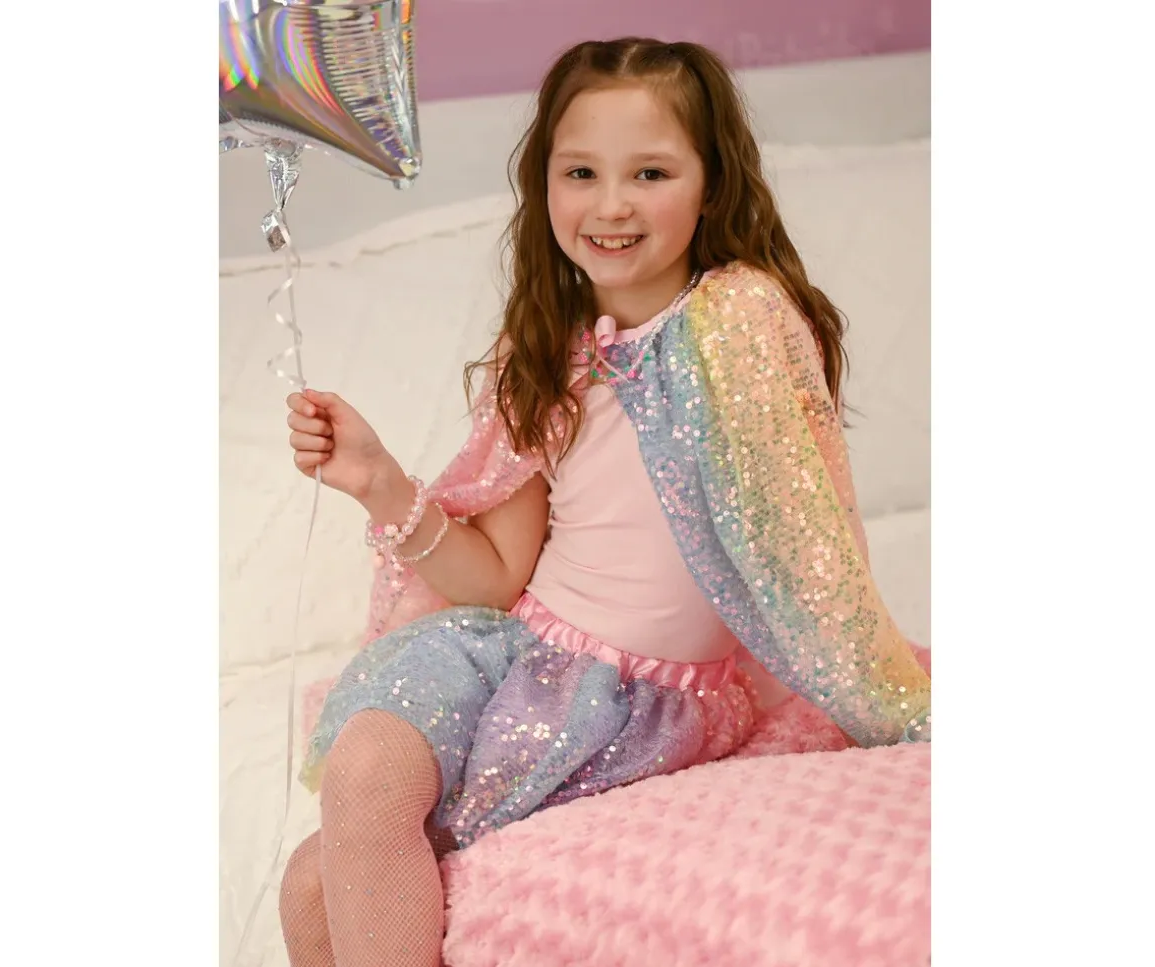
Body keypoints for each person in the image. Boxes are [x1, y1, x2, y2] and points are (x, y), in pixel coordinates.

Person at [276, 36, 931, 967]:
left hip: (642, 700)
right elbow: (495, 576)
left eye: (650, 173)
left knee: (324, 879)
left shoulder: (737, 322)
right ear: (544, 183)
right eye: (580, 172)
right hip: (510, 656)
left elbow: (802, 546)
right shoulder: (545, 349)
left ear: (711, 184)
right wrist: (380, 481)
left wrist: (888, 700)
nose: (611, 204)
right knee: (335, 828)